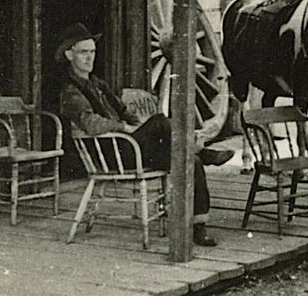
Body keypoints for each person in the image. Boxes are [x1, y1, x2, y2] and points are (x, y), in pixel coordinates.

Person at [53, 23, 232, 248]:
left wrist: (135, 123)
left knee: (191, 160)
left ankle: (199, 228)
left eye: (92, 52)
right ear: (69, 55)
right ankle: (203, 151)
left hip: (128, 148)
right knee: (160, 121)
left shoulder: (97, 83)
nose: (90, 58)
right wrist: (123, 128)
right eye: (83, 52)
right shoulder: (71, 91)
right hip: (110, 154)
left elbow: (123, 110)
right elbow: (91, 124)